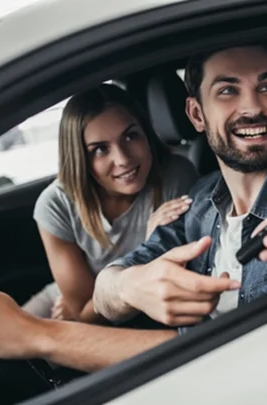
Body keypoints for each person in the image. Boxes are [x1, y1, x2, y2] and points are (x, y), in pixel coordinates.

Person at [0, 39, 267, 372]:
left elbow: (252, 356)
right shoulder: (201, 201)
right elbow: (108, 284)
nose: (252, 107)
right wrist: (131, 286)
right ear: (196, 115)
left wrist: (38, 335)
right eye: (227, 91)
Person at [22, 84, 199, 322]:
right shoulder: (56, 204)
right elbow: (81, 310)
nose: (123, 159)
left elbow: (90, 315)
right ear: (80, 158)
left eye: (130, 136)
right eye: (100, 149)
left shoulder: (175, 176)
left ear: (146, 134)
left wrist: (89, 308)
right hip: (63, 296)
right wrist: (150, 248)